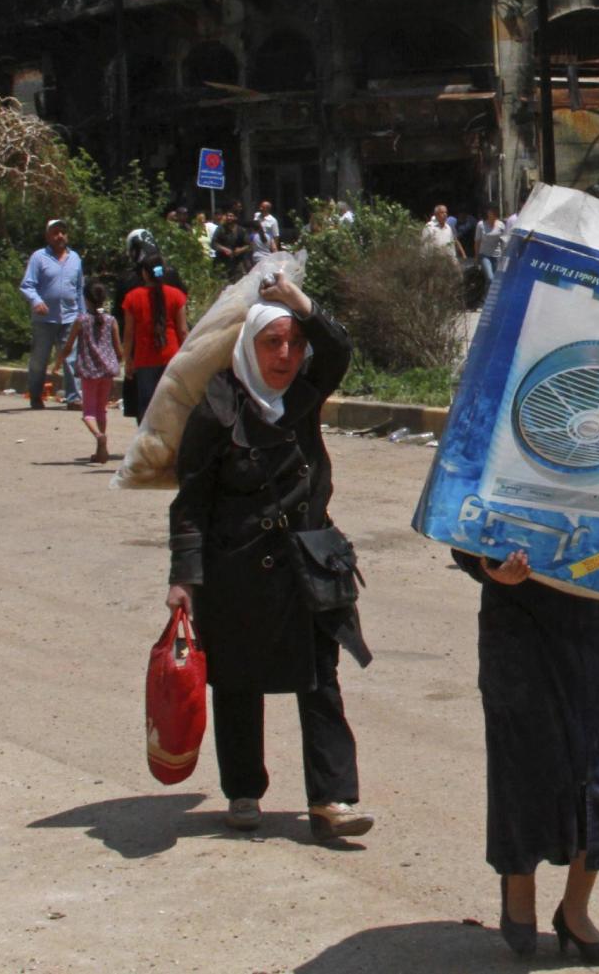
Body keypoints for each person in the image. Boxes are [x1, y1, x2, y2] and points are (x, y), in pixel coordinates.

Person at [454, 443, 599, 963]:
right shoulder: (510, 403)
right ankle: (519, 888)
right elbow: (461, 510)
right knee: (526, 759)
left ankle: (576, 913)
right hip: (518, 617)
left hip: (596, 609)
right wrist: (486, 566)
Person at [165, 271, 373, 837]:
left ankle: (332, 801)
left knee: (321, 680)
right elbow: (191, 502)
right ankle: (242, 790)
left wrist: (299, 303)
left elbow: (338, 350)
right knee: (237, 681)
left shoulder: (303, 398)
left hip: (309, 563)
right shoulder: (216, 410)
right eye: (272, 342)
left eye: (293, 343)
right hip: (237, 569)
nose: (286, 355)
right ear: (248, 347)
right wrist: (185, 577)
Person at [19, 218, 84, 411]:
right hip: (45, 318)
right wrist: (36, 301)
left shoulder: (75, 258)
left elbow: (80, 288)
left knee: (72, 358)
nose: (60, 236)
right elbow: (27, 285)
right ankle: (36, 396)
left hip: (70, 316)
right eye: (55, 232)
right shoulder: (39, 257)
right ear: (48, 236)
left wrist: (83, 314)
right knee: (40, 359)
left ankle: (74, 398)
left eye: (63, 232)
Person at [55, 281, 121, 463]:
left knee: (88, 413)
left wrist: (57, 362)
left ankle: (99, 437)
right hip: (107, 370)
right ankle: (102, 451)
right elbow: (118, 348)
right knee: (101, 410)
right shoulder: (111, 320)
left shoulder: (81, 320)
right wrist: (119, 363)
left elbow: (68, 347)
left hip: (89, 371)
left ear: (85, 299)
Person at [122, 254, 189, 423]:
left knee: (146, 404)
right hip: (171, 355)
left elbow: (129, 333)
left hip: (144, 359)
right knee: (170, 402)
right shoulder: (176, 295)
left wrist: (127, 359)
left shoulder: (132, 297)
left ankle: (146, 443)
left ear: (144, 273)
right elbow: (183, 330)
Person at [212, 205, 251, 282]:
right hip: (222, 263)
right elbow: (213, 243)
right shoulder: (220, 229)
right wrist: (224, 249)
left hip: (237, 264)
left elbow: (249, 245)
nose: (229, 218)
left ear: (235, 217)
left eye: (231, 216)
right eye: (227, 216)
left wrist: (241, 250)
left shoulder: (241, 230)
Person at [474, 205, 507, 286]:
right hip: (485, 255)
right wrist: (476, 257)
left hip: (497, 255)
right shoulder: (481, 225)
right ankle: (485, 298)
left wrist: (504, 255)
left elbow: (503, 241)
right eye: (491, 211)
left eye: (495, 211)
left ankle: (487, 297)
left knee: (496, 280)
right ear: (487, 212)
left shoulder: (501, 225)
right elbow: (477, 242)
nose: (493, 213)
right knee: (490, 278)